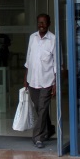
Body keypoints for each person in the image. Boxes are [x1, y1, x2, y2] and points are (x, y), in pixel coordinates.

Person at [24, 13, 57, 149]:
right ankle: (49, 129)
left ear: (48, 24)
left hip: (47, 81)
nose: (41, 25)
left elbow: (56, 63)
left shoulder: (53, 40)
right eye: (39, 22)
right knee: (39, 108)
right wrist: (25, 79)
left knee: (43, 109)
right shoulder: (32, 38)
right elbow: (28, 60)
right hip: (33, 80)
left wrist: (55, 84)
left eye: (43, 22)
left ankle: (38, 137)